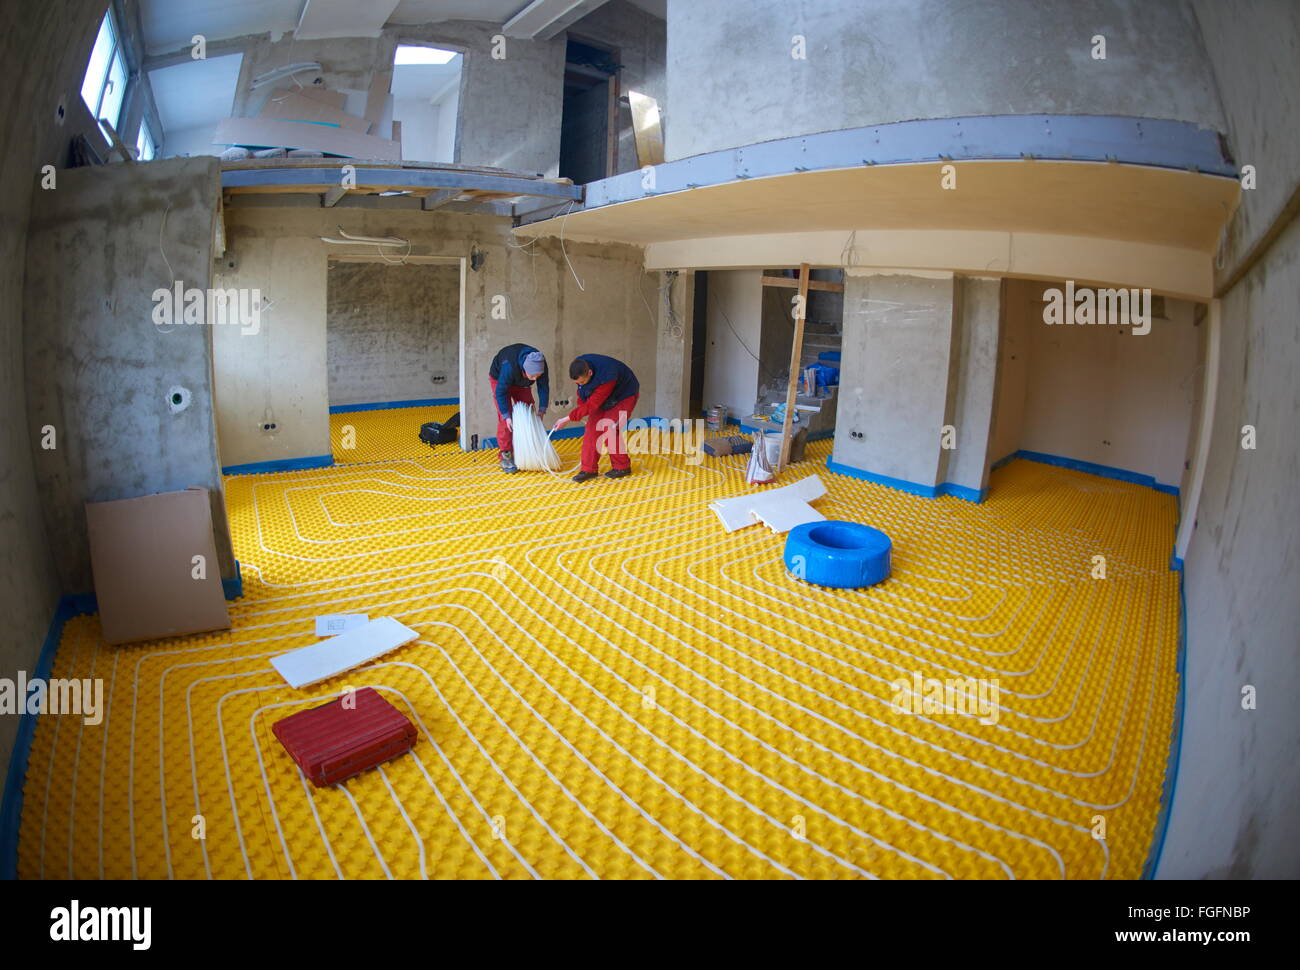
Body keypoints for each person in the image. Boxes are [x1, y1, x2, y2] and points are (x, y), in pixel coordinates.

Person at [553, 354, 640, 482]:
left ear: (590, 372)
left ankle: (622, 467)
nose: (580, 384)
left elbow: (593, 404)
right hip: (605, 397)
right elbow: (584, 394)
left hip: (624, 395)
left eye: (582, 382)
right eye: (577, 383)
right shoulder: (580, 365)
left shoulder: (607, 376)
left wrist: (566, 419)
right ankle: (588, 470)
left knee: (608, 427)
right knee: (591, 429)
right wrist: (581, 408)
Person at [488, 344, 548, 473]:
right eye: (532, 376)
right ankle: (506, 454)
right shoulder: (508, 367)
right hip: (500, 380)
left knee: (528, 411)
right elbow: (500, 392)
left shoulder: (540, 364)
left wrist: (542, 409)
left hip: (521, 383)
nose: (535, 379)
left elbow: (543, 387)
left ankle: (528, 450)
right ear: (523, 370)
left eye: (538, 376)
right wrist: (506, 416)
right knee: (506, 420)